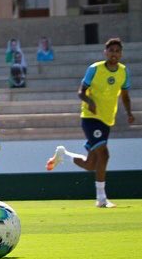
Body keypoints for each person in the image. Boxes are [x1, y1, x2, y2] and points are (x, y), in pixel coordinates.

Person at [46, 38, 134, 208]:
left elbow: (125, 95)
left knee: (91, 164)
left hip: (107, 120)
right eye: (111, 50)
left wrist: (129, 113)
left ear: (121, 54)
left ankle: (64, 155)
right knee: (104, 155)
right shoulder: (95, 69)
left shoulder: (124, 72)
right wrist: (89, 101)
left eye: (117, 51)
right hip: (90, 117)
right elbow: (81, 92)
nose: (114, 54)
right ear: (105, 52)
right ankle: (101, 198)